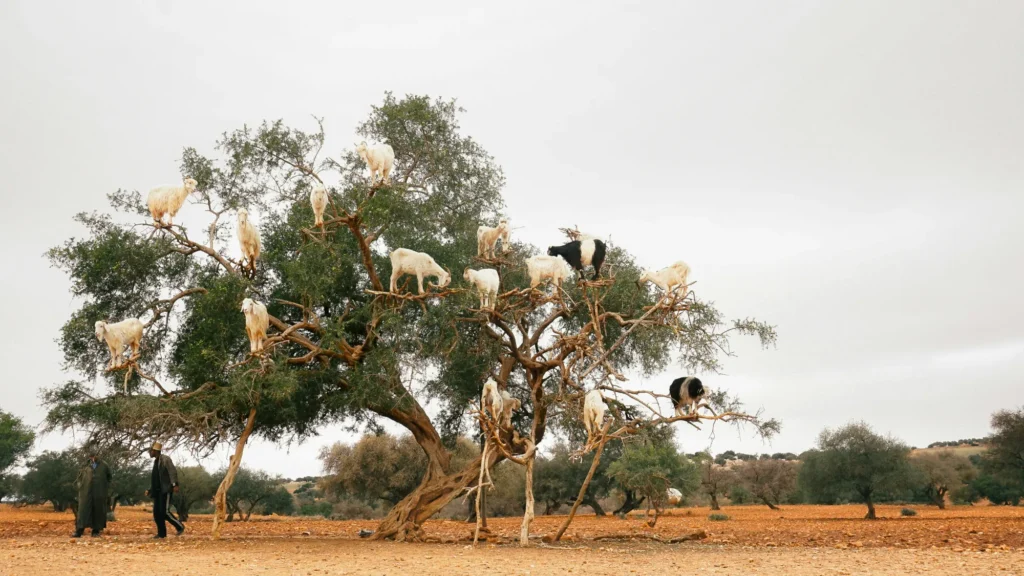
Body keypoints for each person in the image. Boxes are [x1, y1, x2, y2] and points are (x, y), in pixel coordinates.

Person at [144, 441, 184, 538]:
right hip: (157, 491)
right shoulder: (156, 461)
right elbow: (156, 478)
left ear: (155, 451)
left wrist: (175, 485)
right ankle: (161, 534)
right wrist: (150, 489)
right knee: (157, 513)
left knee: (164, 512)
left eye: (151, 451)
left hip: (165, 490)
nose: (150, 453)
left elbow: (172, 472)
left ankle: (180, 526)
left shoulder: (165, 459)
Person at [73, 450, 112, 538]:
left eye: (94, 456)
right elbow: (79, 478)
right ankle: (79, 531)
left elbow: (110, 478)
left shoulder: (104, 465)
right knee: (83, 512)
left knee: (98, 512)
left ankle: (96, 531)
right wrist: (80, 486)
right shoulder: (85, 465)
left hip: (99, 493)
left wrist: (105, 488)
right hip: (85, 493)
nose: (93, 458)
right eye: (91, 456)